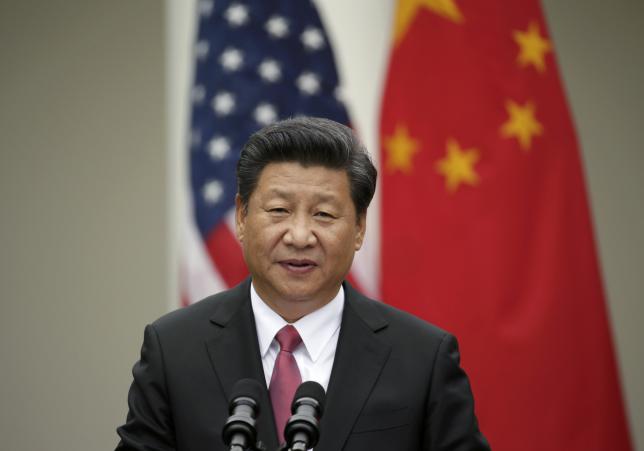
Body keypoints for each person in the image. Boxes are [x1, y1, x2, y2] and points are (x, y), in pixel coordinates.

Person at [115, 117, 490, 451]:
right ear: (242, 217)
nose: (299, 236)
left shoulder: (422, 359)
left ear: (359, 228)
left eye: (324, 214)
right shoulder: (175, 350)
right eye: (278, 210)